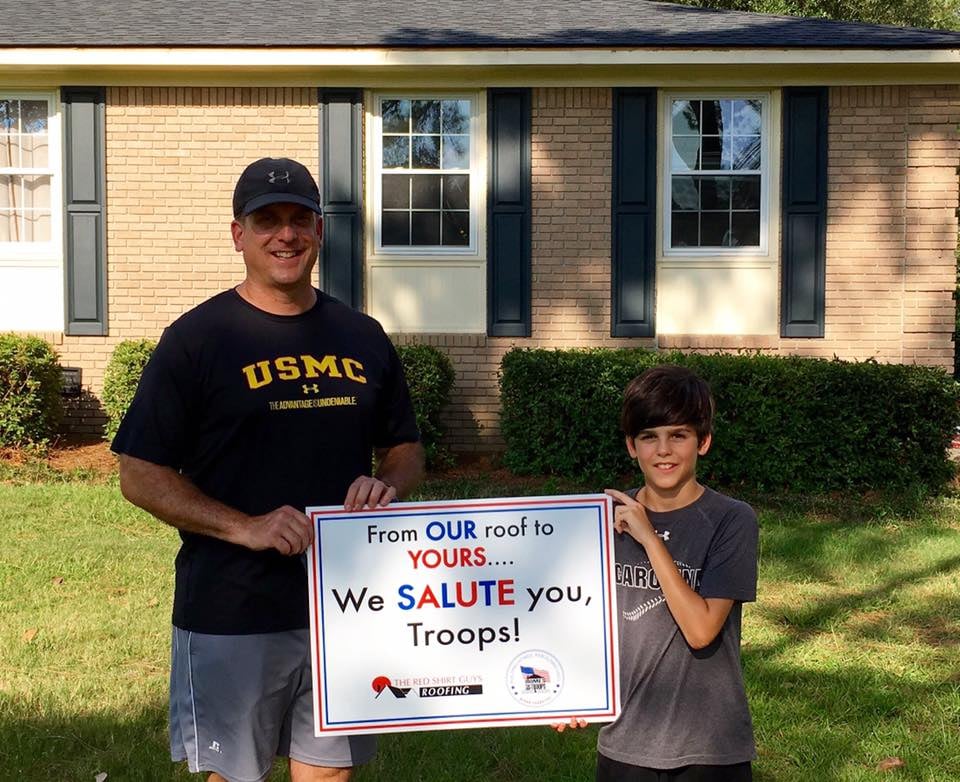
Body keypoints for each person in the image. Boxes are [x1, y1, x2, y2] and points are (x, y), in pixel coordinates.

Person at [112, 157, 425, 782]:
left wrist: (386, 481)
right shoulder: (198, 340)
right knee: (237, 776)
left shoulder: (361, 335)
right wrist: (243, 526)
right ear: (239, 234)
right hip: (235, 606)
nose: (285, 234)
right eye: (267, 221)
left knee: (330, 774)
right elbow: (139, 472)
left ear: (318, 231)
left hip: (346, 602)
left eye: (298, 220)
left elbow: (406, 448)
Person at [556, 365, 758, 782]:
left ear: (703, 442)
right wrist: (571, 690)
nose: (663, 450)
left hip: (709, 747)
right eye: (649, 436)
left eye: (678, 435)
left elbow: (701, 629)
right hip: (626, 741)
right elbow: (576, 615)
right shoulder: (601, 518)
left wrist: (650, 539)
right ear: (632, 446)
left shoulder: (730, 520)